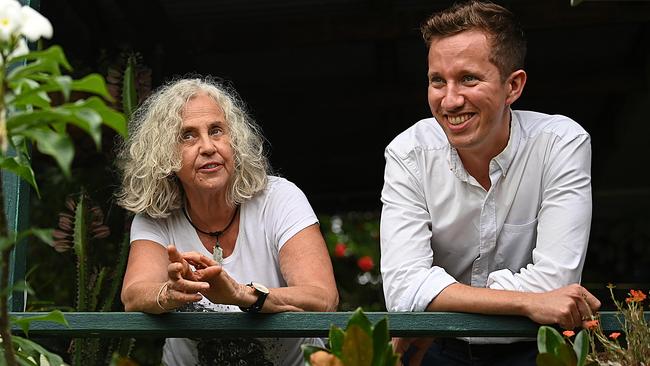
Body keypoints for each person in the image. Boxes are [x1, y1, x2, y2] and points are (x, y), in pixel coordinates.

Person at [379, 1, 601, 364]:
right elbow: (403, 289)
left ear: (513, 86)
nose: (449, 101)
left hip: (533, 347)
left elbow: (557, 282)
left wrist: (436, 293)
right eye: (438, 81)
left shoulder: (562, 143)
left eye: (469, 79)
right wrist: (530, 301)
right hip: (435, 348)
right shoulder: (408, 153)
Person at [117, 77, 338, 366]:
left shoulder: (279, 198)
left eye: (217, 131)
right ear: (163, 155)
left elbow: (323, 299)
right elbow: (133, 295)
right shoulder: (156, 216)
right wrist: (170, 293)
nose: (208, 146)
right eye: (188, 136)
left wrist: (241, 295)